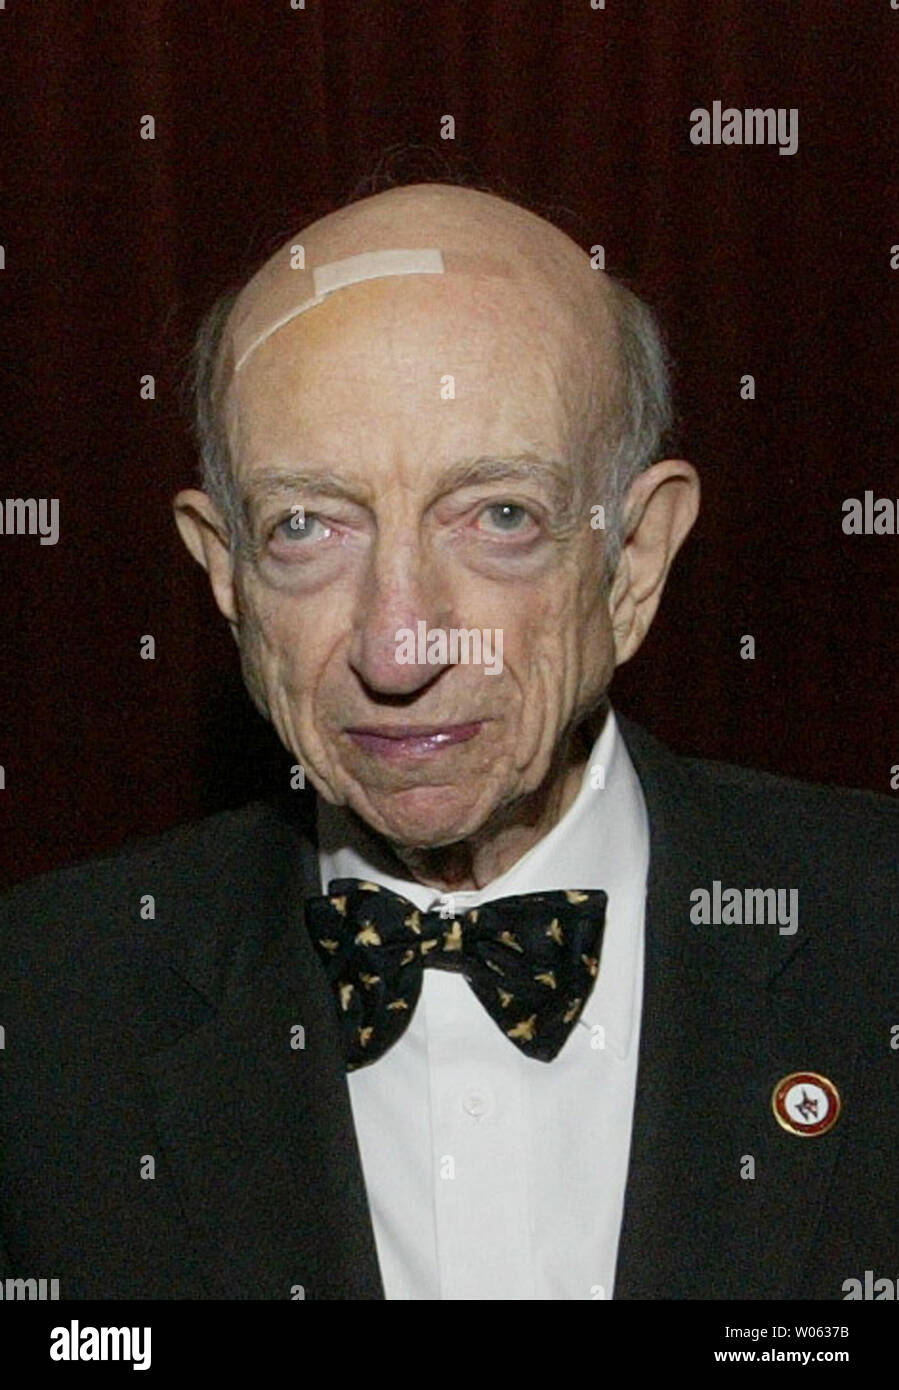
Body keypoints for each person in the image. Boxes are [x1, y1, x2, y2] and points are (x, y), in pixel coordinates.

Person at [1, 183, 895, 1300]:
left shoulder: (874, 944)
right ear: (224, 572)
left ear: (635, 561)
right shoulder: (39, 1017)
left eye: (499, 515)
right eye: (307, 527)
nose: (397, 641)